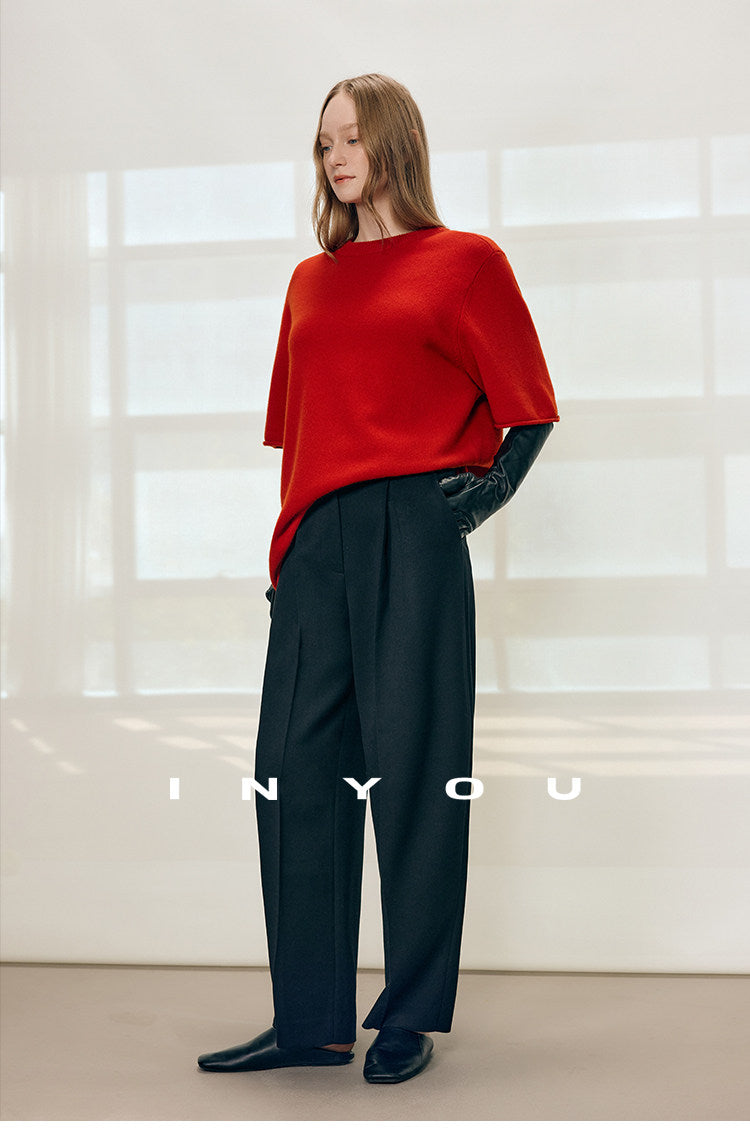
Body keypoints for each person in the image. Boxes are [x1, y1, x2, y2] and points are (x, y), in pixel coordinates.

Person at [198, 72, 558, 1085]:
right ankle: (310, 1019)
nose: (336, 157)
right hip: (316, 539)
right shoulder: (310, 282)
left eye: (351, 138)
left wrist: (473, 502)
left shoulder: (467, 263)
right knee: (292, 771)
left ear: (394, 141)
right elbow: (304, 436)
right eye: (324, 144)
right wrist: (288, 553)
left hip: (415, 528)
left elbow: (529, 408)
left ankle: (408, 1014)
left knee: (416, 773)